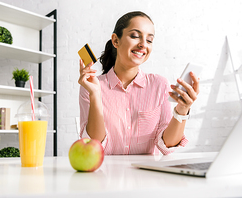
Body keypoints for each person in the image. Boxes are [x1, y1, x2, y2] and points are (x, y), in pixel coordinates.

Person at [78, 11, 200, 155]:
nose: (143, 44)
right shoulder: (92, 86)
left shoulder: (159, 85)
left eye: (149, 40)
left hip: (145, 175)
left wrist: (182, 109)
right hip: (106, 174)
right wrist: (95, 95)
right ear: (116, 40)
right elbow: (94, 146)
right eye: (135, 36)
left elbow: (167, 146)